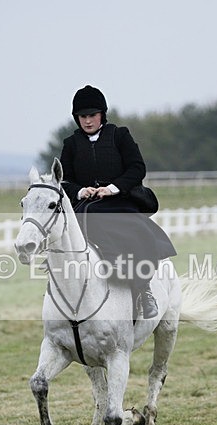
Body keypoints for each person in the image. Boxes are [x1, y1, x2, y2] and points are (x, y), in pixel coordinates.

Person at [59, 85, 176, 319]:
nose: (88, 121)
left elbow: (137, 168)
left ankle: (144, 290)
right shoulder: (71, 144)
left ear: (102, 114)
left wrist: (111, 188)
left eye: (92, 115)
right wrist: (82, 191)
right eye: (83, 116)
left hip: (118, 201)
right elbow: (63, 180)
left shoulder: (119, 135)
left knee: (138, 233)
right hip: (85, 205)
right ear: (77, 118)